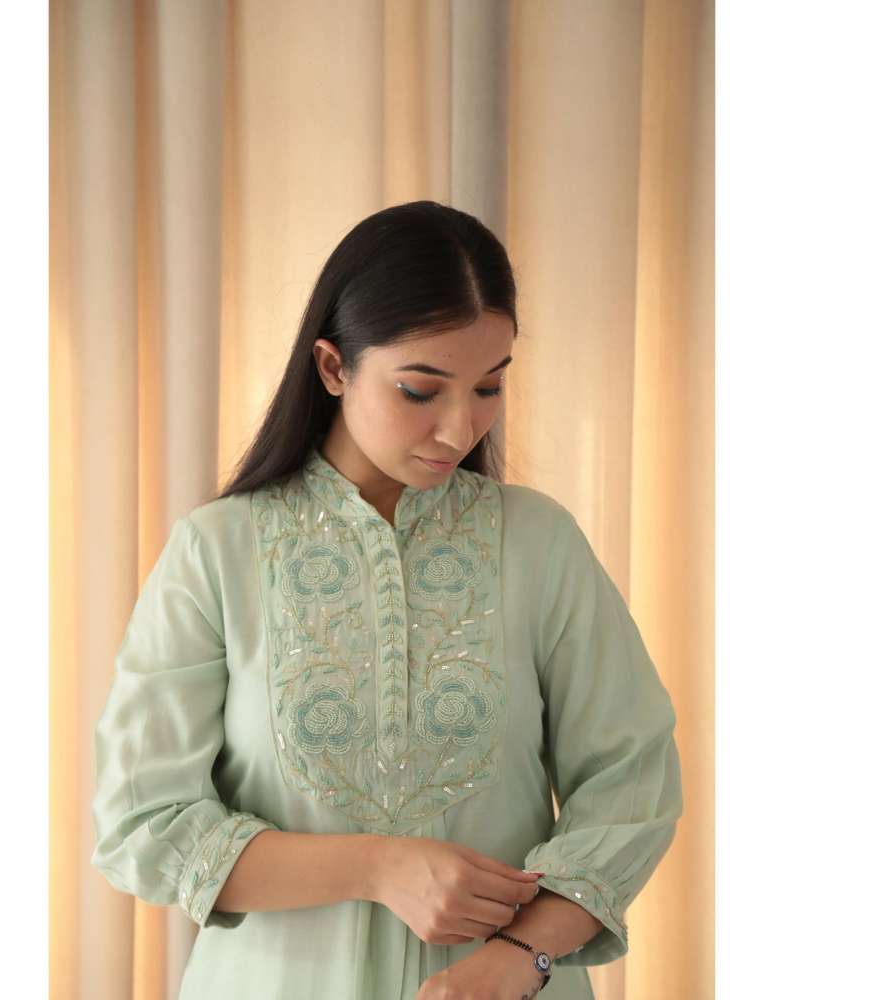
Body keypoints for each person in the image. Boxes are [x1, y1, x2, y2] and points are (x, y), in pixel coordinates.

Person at [90, 201, 683, 999]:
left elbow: (631, 783)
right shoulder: (217, 551)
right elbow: (142, 823)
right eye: (419, 390)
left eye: (488, 387)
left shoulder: (538, 544)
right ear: (334, 367)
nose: (459, 429)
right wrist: (378, 866)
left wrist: (522, 956)